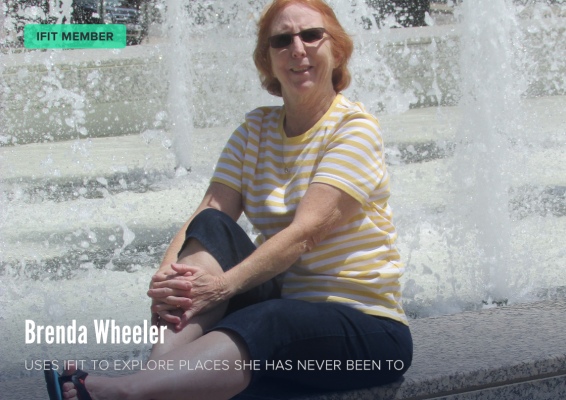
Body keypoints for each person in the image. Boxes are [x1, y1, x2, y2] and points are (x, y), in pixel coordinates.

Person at [49, 0, 412, 398]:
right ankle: (156, 378)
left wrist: (222, 287)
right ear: (267, 60)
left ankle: (128, 392)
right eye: (282, 40)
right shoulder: (255, 130)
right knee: (211, 226)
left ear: (337, 50)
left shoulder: (355, 129)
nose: (297, 49)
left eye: (311, 35)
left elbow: (305, 234)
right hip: (283, 315)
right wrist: (166, 277)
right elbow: (208, 212)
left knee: (272, 317)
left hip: (368, 333)